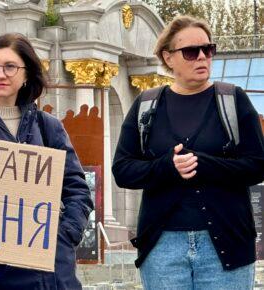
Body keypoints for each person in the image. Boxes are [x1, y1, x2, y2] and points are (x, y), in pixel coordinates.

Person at [112, 15, 264, 289]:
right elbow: (122, 170)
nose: (202, 57)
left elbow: (257, 165)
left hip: (226, 245)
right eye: (191, 51)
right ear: (168, 58)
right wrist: (167, 167)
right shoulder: (146, 105)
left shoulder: (233, 99)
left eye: (208, 49)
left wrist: (204, 164)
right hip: (162, 248)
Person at [0, 33, 93, 290]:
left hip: (52, 271)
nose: (0, 74)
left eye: (10, 66)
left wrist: (62, 237)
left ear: (27, 73)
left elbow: (76, 188)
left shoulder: (48, 126)